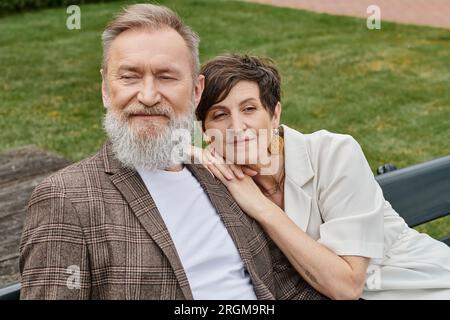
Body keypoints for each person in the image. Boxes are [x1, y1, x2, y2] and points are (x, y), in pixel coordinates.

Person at [19, 5, 323, 300]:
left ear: (195, 91)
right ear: (104, 88)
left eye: (166, 77)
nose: (148, 96)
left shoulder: (224, 177)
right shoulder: (66, 198)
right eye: (129, 77)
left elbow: (284, 287)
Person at [194, 53, 450, 300]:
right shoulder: (220, 177)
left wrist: (260, 206)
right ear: (206, 131)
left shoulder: (335, 154)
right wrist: (189, 151)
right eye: (220, 114)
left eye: (249, 109)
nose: (237, 127)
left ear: (274, 115)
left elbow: (347, 287)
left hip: (425, 286)